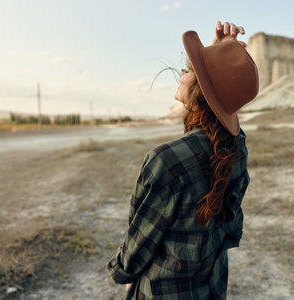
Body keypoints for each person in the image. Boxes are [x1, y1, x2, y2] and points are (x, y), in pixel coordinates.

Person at [107, 21, 259, 299]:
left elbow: (138, 246)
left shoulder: (166, 160)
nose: (181, 72)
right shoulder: (237, 148)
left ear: (201, 90)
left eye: (189, 70)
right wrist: (216, 53)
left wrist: (122, 273)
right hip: (210, 290)